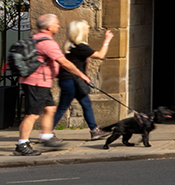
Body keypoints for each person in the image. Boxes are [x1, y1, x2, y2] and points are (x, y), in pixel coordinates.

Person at [16, 13, 89, 155]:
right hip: (36, 83)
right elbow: (64, 62)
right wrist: (81, 75)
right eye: (56, 23)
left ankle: (46, 137)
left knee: (50, 109)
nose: (59, 26)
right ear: (49, 27)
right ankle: (22, 144)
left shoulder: (34, 38)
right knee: (32, 114)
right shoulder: (47, 43)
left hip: (41, 82)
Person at [52, 20, 112, 140]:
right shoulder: (80, 47)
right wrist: (107, 40)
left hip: (73, 80)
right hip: (72, 81)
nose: (89, 27)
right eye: (86, 27)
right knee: (63, 107)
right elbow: (100, 55)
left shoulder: (71, 46)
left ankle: (94, 130)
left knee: (86, 104)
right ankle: (46, 133)